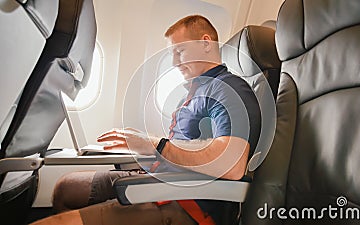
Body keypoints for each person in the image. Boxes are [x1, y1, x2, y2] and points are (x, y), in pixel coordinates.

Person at [32, 15, 261, 225]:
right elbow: (188, 146)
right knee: (66, 188)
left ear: (206, 43)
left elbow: (231, 166)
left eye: (179, 51)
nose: (174, 63)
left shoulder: (229, 90)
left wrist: (155, 145)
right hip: (160, 176)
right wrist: (139, 144)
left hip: (187, 200)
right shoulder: (195, 92)